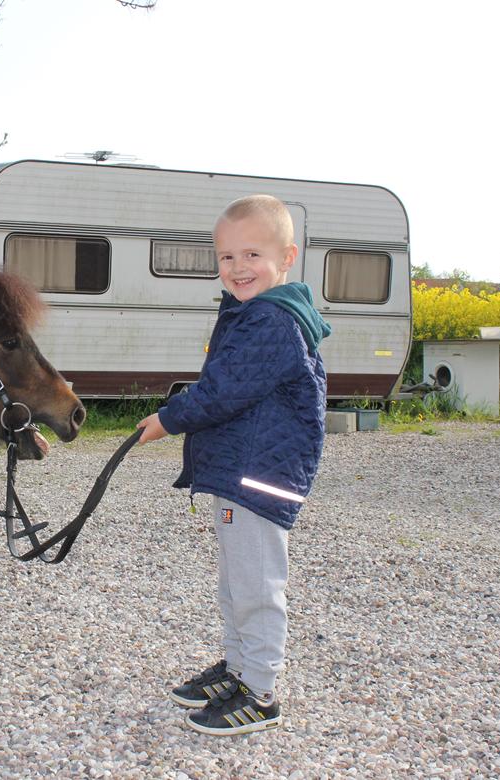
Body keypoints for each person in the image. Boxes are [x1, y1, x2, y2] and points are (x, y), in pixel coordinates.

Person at [135, 194, 330, 736]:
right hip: (242, 471)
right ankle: (239, 670)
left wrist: (168, 420)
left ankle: (261, 692)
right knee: (236, 582)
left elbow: (223, 391)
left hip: (259, 477)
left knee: (256, 585)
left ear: (286, 257)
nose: (238, 268)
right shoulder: (253, 312)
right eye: (227, 257)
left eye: (252, 255)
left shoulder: (271, 321)